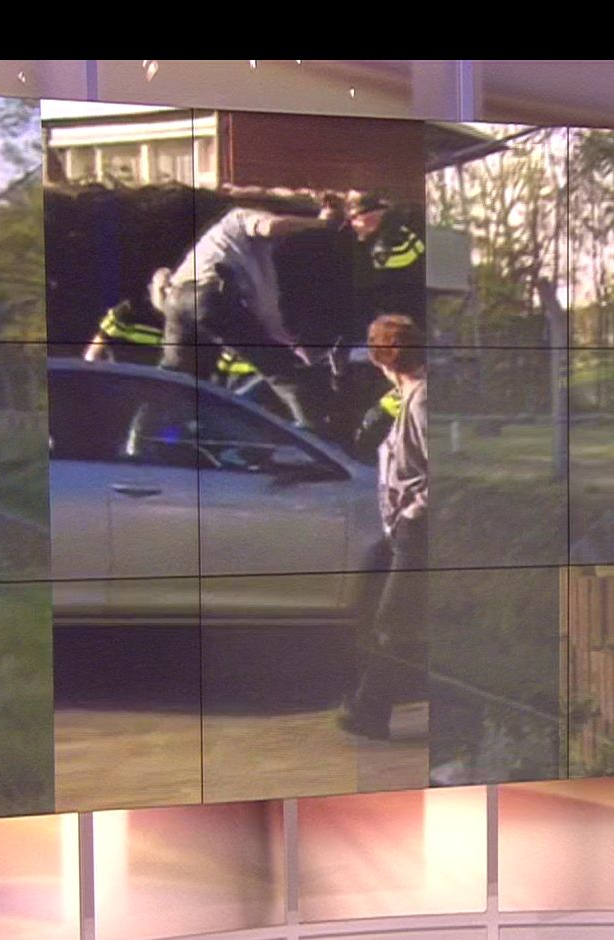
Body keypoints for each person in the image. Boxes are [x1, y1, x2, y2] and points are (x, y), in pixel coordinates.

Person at [156, 199, 345, 426]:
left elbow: (268, 319)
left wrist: (293, 347)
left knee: (173, 379)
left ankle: (141, 437)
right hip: (210, 297)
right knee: (283, 373)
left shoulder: (249, 260)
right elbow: (271, 226)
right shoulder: (238, 217)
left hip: (177, 301)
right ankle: (313, 436)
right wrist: (321, 223)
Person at [338, 313, 428, 740]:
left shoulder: (422, 401)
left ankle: (369, 713)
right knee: (395, 620)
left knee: (392, 622)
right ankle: (369, 708)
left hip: (418, 529)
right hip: (405, 527)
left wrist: (413, 513)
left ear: (383, 361)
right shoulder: (408, 394)